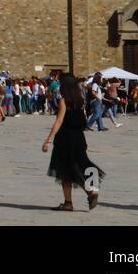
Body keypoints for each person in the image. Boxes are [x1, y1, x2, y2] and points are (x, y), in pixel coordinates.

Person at [42, 74, 104, 210]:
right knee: (83, 163)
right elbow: (82, 120)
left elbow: (59, 121)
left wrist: (48, 140)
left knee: (65, 170)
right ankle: (92, 190)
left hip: (65, 138)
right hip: (79, 137)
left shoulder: (64, 101)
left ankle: (69, 202)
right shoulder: (80, 100)